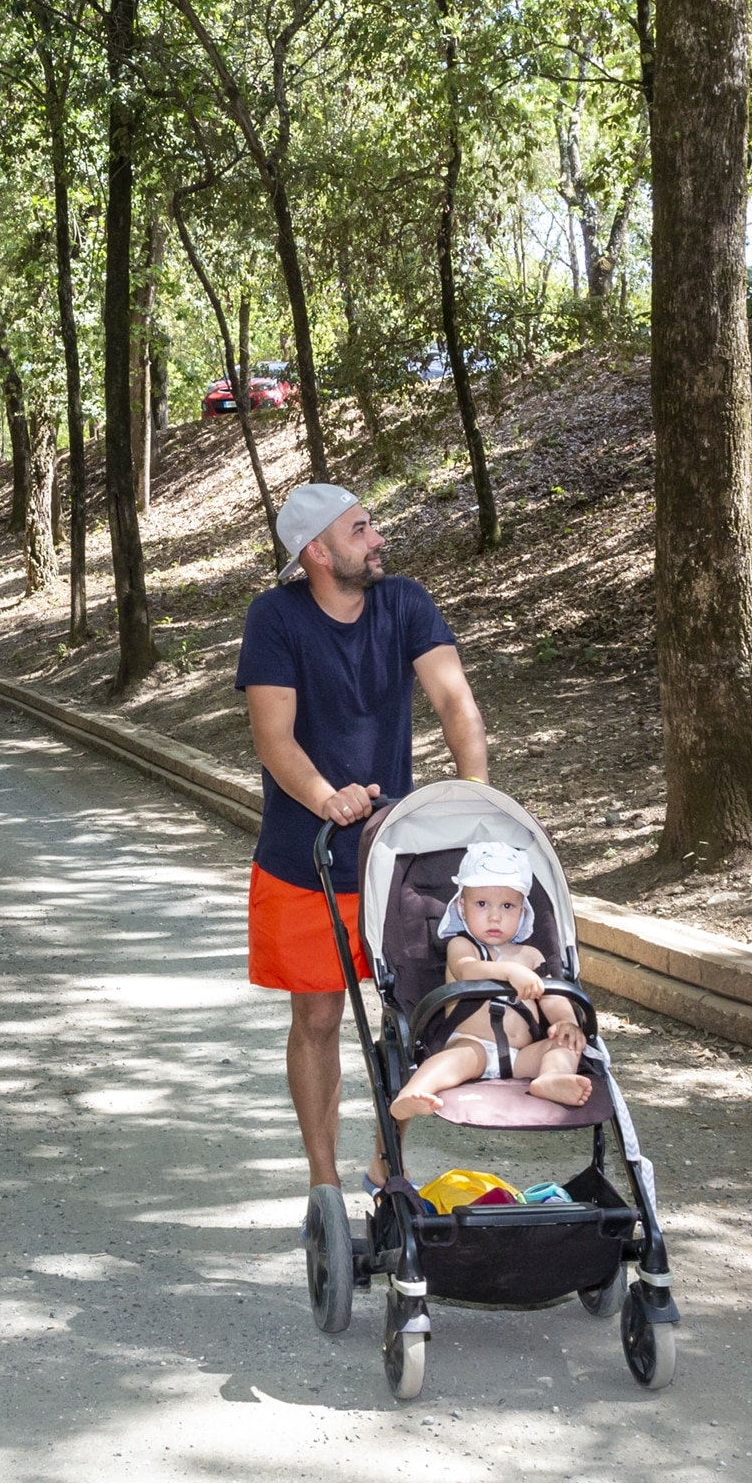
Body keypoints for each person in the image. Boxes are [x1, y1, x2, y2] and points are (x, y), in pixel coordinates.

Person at [237, 480, 490, 1193]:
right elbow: (274, 738)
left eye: (371, 525)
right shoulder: (276, 619)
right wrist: (327, 797)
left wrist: (477, 801)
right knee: (316, 1018)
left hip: (395, 856)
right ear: (316, 551)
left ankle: (389, 1159)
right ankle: (323, 1180)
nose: (378, 537)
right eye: (360, 529)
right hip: (304, 859)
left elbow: (453, 699)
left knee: (412, 1013)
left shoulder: (403, 601)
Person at [386, 842, 592, 1119]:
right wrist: (508, 972)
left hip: (522, 1056)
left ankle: (551, 1078)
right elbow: (466, 970)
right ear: (461, 907)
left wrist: (565, 1022)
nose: (495, 916)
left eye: (508, 906)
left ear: (523, 911)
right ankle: (415, 1090)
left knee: (564, 1045)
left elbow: (553, 997)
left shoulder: (531, 955)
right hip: (473, 1046)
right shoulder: (462, 946)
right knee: (454, 1059)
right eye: (482, 904)